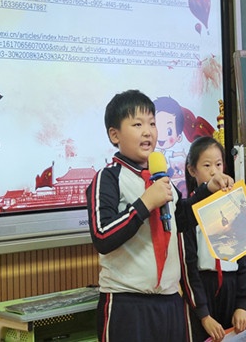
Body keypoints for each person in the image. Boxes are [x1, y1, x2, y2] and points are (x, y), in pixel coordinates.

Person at [86, 90, 233, 342]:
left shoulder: (162, 180)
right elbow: (102, 236)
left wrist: (207, 190)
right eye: (137, 124)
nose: (148, 132)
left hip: (170, 302)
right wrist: (145, 204)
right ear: (114, 135)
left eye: (152, 124)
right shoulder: (108, 177)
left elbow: (181, 220)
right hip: (127, 303)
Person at [180, 136, 246, 342]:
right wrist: (203, 315)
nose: (214, 171)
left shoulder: (233, 206)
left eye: (218, 164)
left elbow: (243, 261)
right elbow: (188, 268)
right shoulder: (188, 213)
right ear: (192, 170)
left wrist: (242, 305)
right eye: (207, 165)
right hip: (202, 290)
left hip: (231, 288)